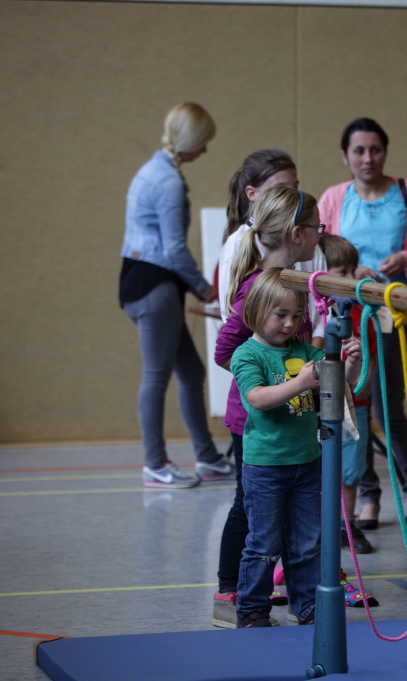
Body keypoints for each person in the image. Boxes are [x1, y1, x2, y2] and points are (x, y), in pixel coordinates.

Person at [318, 117, 407, 530]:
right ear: (345, 156)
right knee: (353, 404)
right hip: (346, 314)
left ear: (385, 152)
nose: (367, 158)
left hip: (392, 313)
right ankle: (367, 497)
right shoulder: (334, 198)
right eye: (359, 150)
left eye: (375, 150)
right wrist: (348, 273)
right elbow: (321, 252)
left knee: (389, 407)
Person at [210, 185, 325, 628]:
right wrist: (269, 378)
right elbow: (226, 350)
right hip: (257, 422)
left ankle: (302, 600)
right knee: (252, 515)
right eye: (316, 228)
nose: (319, 236)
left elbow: (304, 351)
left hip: (295, 426)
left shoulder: (294, 284)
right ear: (297, 234)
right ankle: (235, 595)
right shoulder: (260, 288)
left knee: (294, 527)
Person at [230, 268, 364, 628]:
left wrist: (352, 364)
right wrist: (301, 382)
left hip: (307, 463)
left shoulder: (305, 351)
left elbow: (338, 385)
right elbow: (258, 398)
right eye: (281, 315)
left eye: (296, 315)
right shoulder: (247, 355)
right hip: (265, 467)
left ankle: (306, 605)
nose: (289, 324)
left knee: (308, 541)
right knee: (264, 544)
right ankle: (252, 610)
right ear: (256, 311)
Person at [119, 101, 233, 489]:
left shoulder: (152, 170)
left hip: (144, 280)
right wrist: (205, 289)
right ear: (191, 140)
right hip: (155, 286)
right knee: (156, 377)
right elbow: (174, 250)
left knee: (192, 372)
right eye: (204, 141)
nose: (206, 149)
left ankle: (207, 458)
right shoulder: (166, 180)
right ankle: (154, 464)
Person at [217, 149, 326, 341]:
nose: (291, 195)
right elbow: (232, 325)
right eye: (280, 188)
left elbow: (321, 314)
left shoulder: (309, 245)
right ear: (252, 193)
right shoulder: (238, 244)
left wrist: (312, 355)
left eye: (295, 187)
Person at [319, 234, 377, 554]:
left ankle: (346, 523)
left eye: (353, 271)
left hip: (356, 404)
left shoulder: (360, 314)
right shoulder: (314, 315)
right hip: (321, 405)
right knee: (319, 466)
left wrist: (362, 381)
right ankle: (321, 522)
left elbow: (370, 364)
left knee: (351, 469)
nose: (350, 278)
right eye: (342, 272)